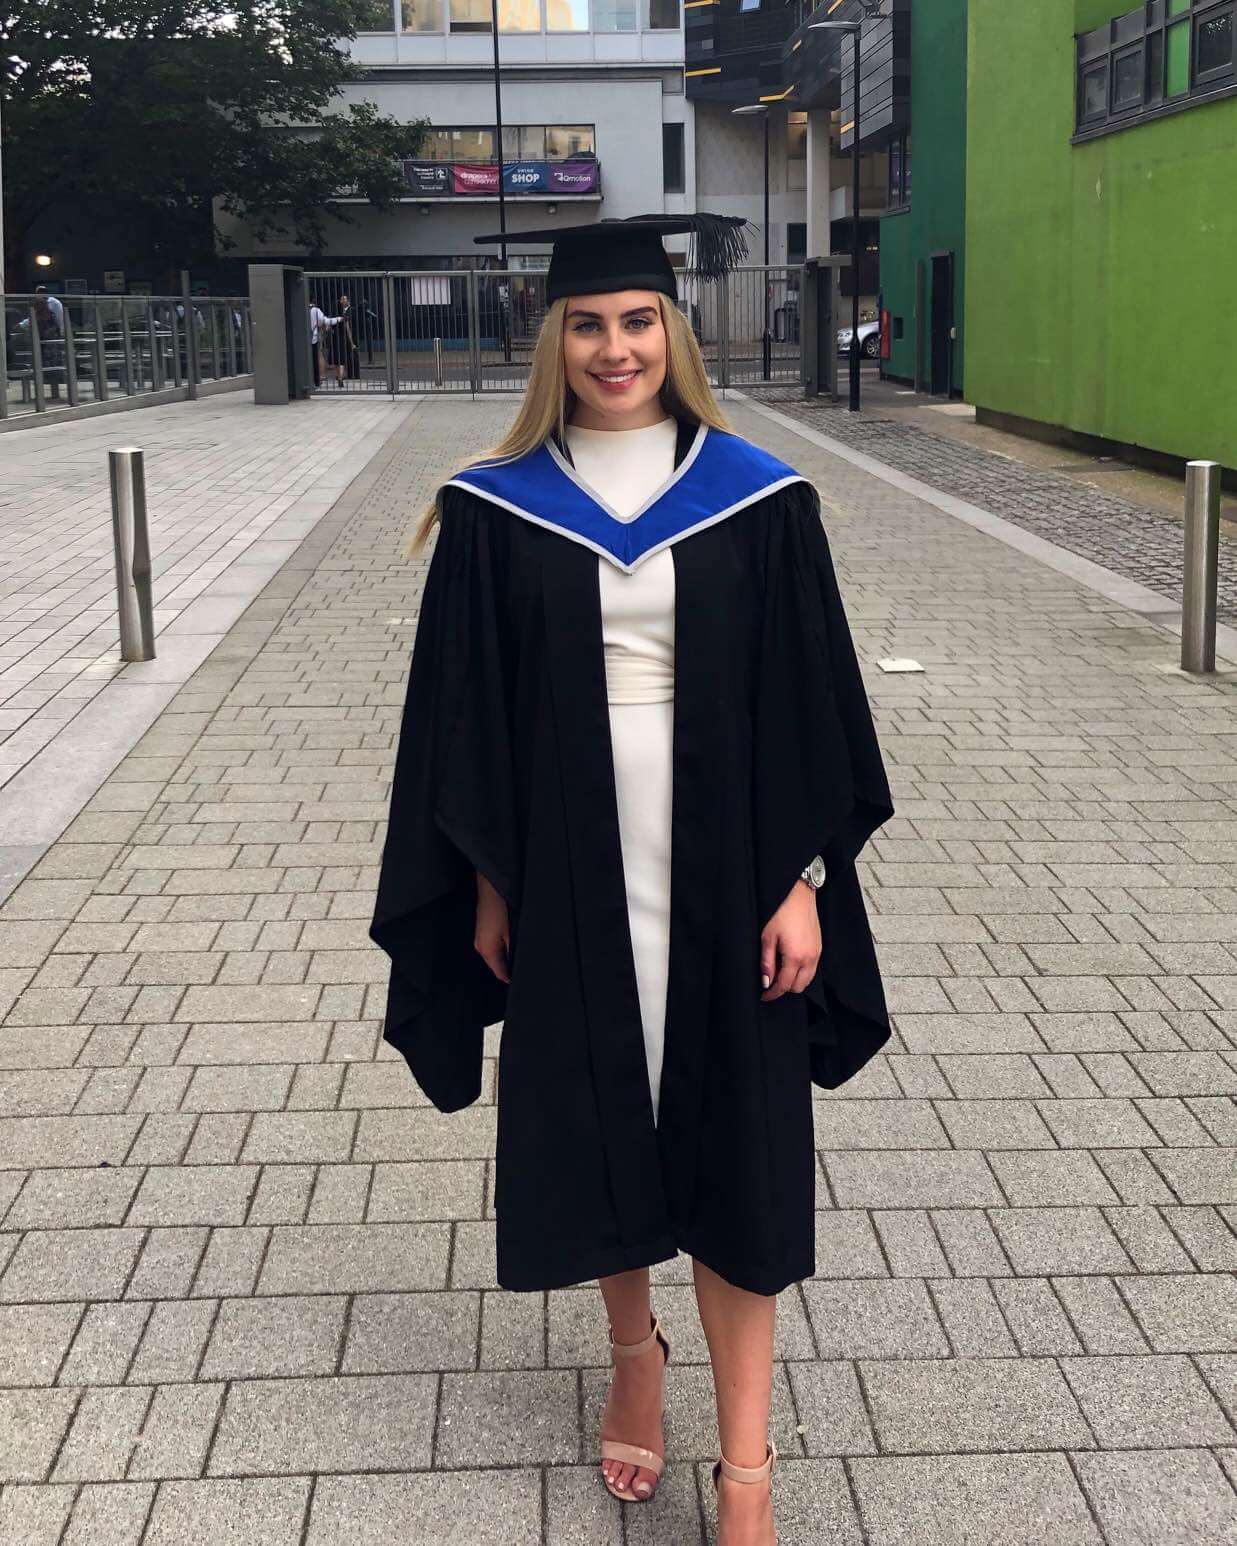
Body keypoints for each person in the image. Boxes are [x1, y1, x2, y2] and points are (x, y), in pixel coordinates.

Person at [370, 214, 893, 1546]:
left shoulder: (760, 496)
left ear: (676, 329)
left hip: (731, 864)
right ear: (556, 337)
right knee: (598, 1113)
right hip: (567, 864)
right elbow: (464, 722)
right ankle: (632, 1351)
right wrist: (488, 882)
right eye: (590, 323)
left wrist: (803, 878)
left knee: (744, 1146)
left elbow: (813, 704)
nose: (617, 347)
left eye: (640, 320)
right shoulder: (497, 510)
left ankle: (748, 1468)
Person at [308, 301, 340, 388]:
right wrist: (339, 319)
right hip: (313, 339)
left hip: (301, 340)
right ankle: (317, 380)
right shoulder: (315, 310)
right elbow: (324, 321)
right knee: (316, 358)